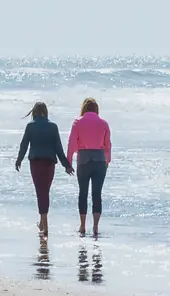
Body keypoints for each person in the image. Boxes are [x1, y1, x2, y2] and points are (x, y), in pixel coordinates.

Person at [13, 102, 72, 238]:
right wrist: (66, 165)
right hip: (49, 164)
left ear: (34, 112)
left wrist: (19, 160)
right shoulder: (53, 127)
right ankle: (42, 222)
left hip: (36, 163)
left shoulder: (30, 126)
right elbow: (58, 148)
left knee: (40, 192)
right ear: (45, 112)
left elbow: (24, 145)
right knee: (45, 191)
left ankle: (44, 224)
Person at [68, 98, 112, 238]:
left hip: (83, 159)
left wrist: (69, 162)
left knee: (83, 193)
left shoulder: (77, 122)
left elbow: (71, 143)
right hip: (100, 159)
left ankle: (82, 225)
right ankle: (95, 226)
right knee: (97, 194)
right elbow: (108, 145)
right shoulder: (103, 123)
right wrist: (107, 160)